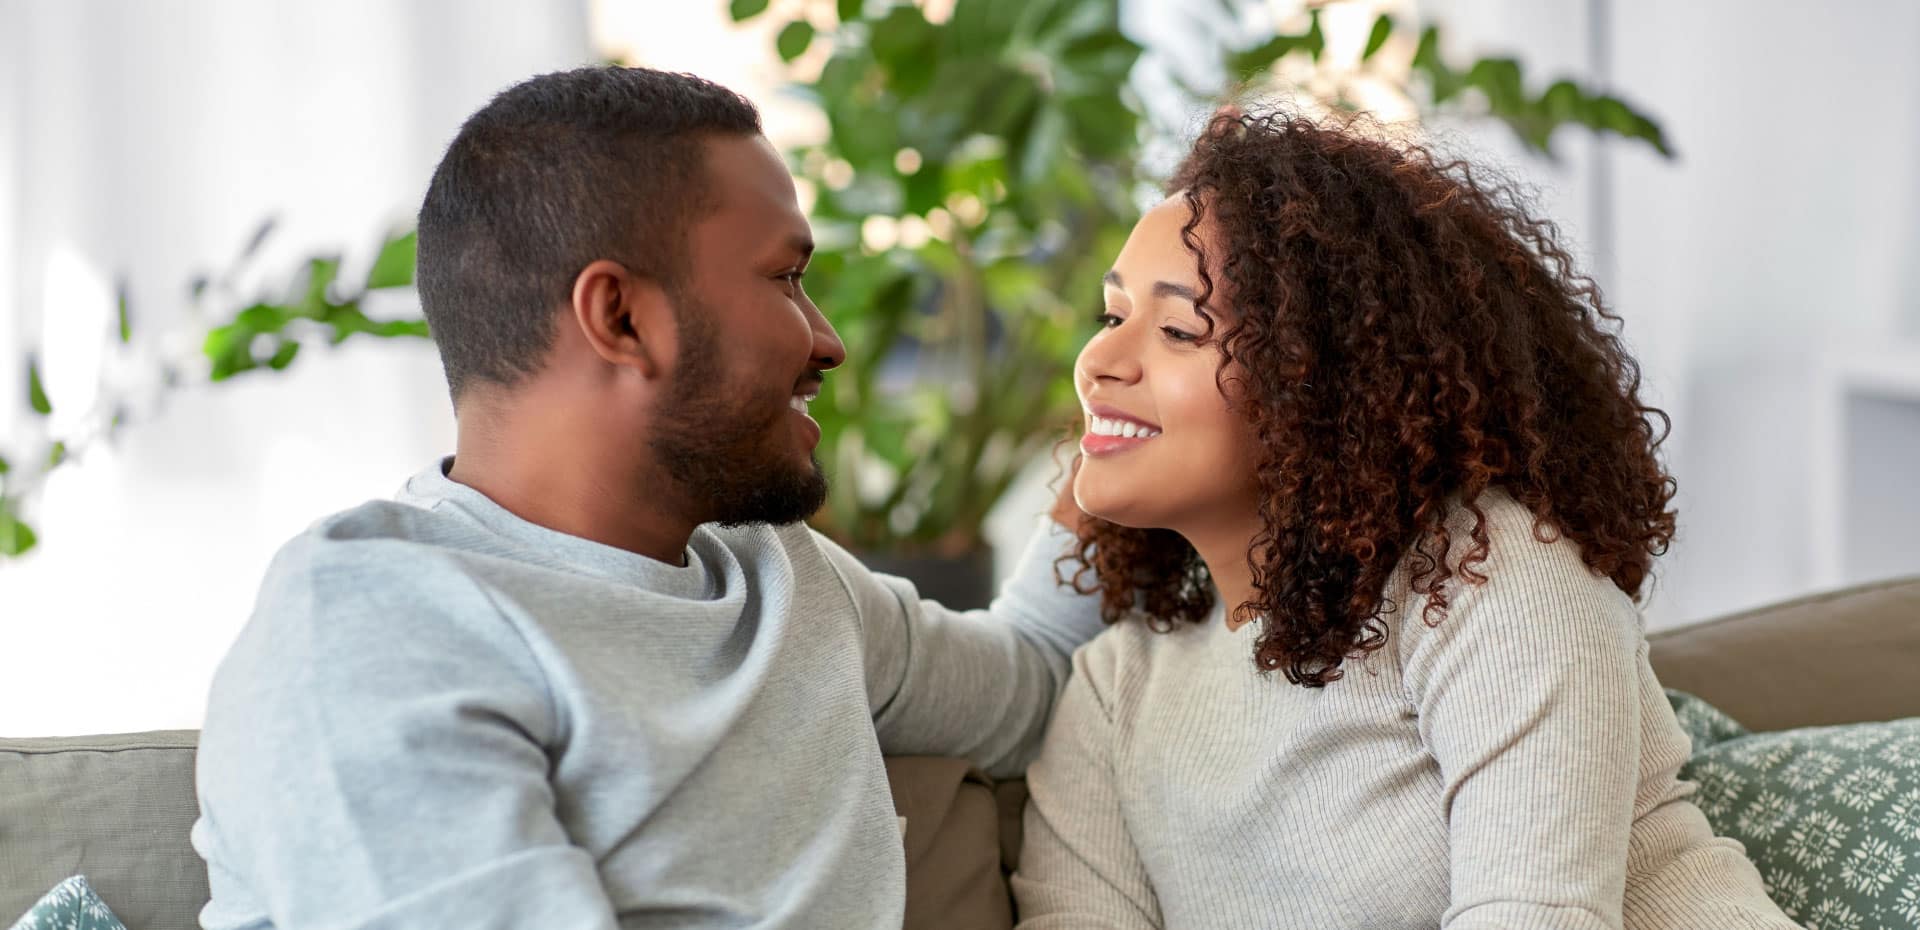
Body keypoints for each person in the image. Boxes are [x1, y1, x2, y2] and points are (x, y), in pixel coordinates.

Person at [190, 66, 1103, 930]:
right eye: (786, 278)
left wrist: (1118, 447)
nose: (828, 342)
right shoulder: (373, 631)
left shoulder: (781, 575)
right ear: (620, 317)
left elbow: (1033, 687)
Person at [1011, 109, 1801, 929]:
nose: (1098, 361)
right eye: (1111, 316)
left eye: (1180, 330)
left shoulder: (1485, 575)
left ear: (1323, 381)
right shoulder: (1114, 690)